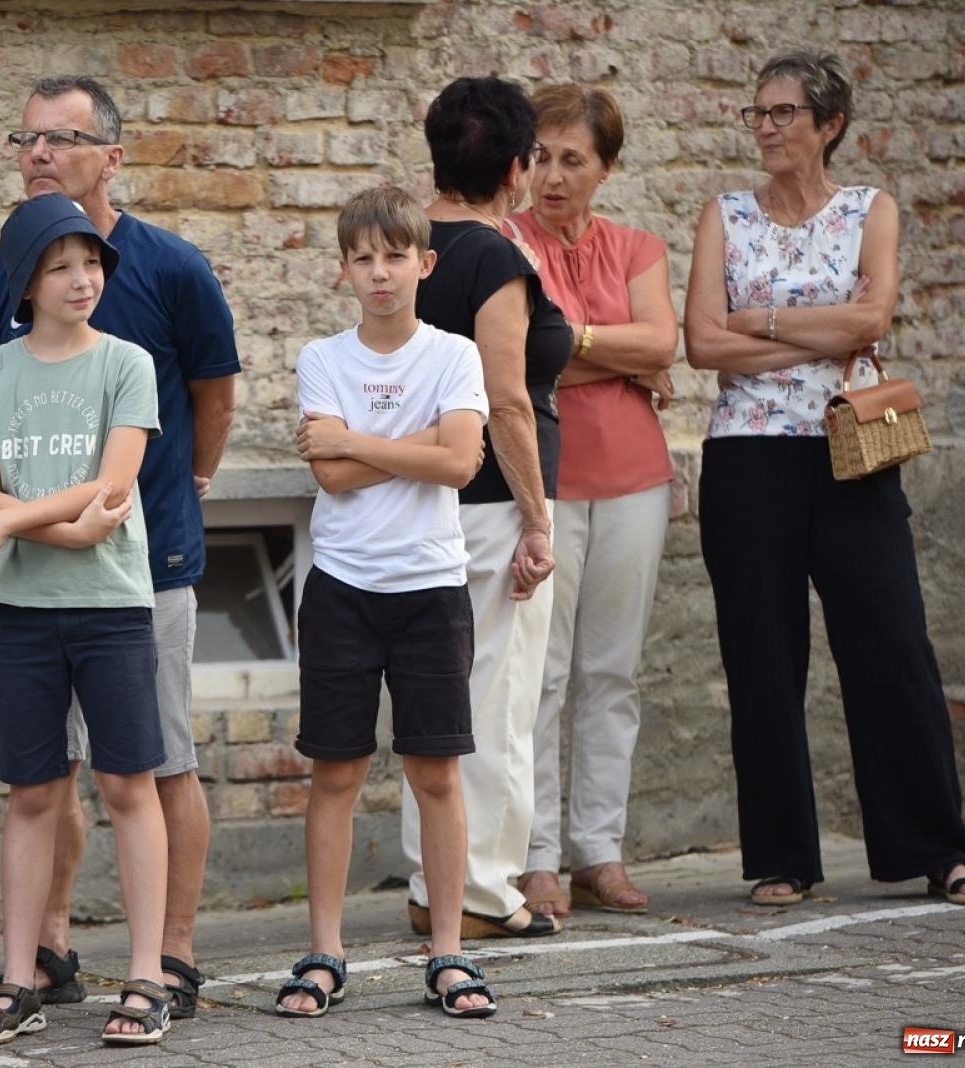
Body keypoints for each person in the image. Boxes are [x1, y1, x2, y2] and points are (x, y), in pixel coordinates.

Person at [684, 51, 965, 908]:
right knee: (762, 655)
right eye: (758, 114)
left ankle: (940, 849)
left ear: (830, 125)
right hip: (748, 454)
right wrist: (820, 335)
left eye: (785, 113)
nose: (768, 128)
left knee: (894, 645)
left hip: (851, 444)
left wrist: (767, 323)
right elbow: (705, 345)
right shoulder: (727, 214)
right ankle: (784, 857)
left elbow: (874, 318)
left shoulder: (871, 210)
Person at [0, 75, 238, 1018]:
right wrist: (24, 519)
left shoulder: (170, 267)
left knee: (156, 764)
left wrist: (182, 491)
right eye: (26, 138)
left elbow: (212, 393)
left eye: (62, 139)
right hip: (38, 580)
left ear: (111, 157)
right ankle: (46, 947)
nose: (39, 154)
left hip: (141, 564)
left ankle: (170, 953)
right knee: (47, 774)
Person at [0, 193, 174, 1047]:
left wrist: (10, 521)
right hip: (24, 610)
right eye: (60, 265)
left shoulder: (127, 361)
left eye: (91, 263)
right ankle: (19, 979)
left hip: (113, 604)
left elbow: (113, 488)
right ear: (27, 282)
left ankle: (147, 978)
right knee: (35, 791)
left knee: (127, 785)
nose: (82, 279)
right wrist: (36, 523)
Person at [276, 186, 494, 1020]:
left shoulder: (454, 354)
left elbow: (462, 464)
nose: (379, 272)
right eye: (362, 257)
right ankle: (325, 952)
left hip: (431, 586)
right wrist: (419, 445)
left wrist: (357, 440)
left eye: (395, 256)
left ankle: (448, 955)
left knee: (435, 774)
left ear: (424, 264)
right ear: (344, 269)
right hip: (343, 588)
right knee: (336, 773)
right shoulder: (322, 359)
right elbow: (328, 478)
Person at [400, 75, 569, 940]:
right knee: (495, 702)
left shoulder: (400, 245)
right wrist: (539, 521)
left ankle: (433, 885)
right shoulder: (492, 257)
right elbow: (507, 400)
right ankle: (485, 889)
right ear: (512, 167)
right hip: (493, 504)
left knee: (435, 701)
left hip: (417, 501)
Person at [505, 85, 679, 918]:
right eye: (540, 155)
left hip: (637, 480)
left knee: (613, 672)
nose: (553, 175)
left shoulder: (639, 248)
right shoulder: (507, 245)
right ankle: (536, 856)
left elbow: (665, 342)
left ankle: (597, 853)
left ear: (607, 167)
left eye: (573, 158)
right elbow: (515, 359)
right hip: (544, 481)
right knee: (539, 674)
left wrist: (567, 340)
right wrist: (617, 354)